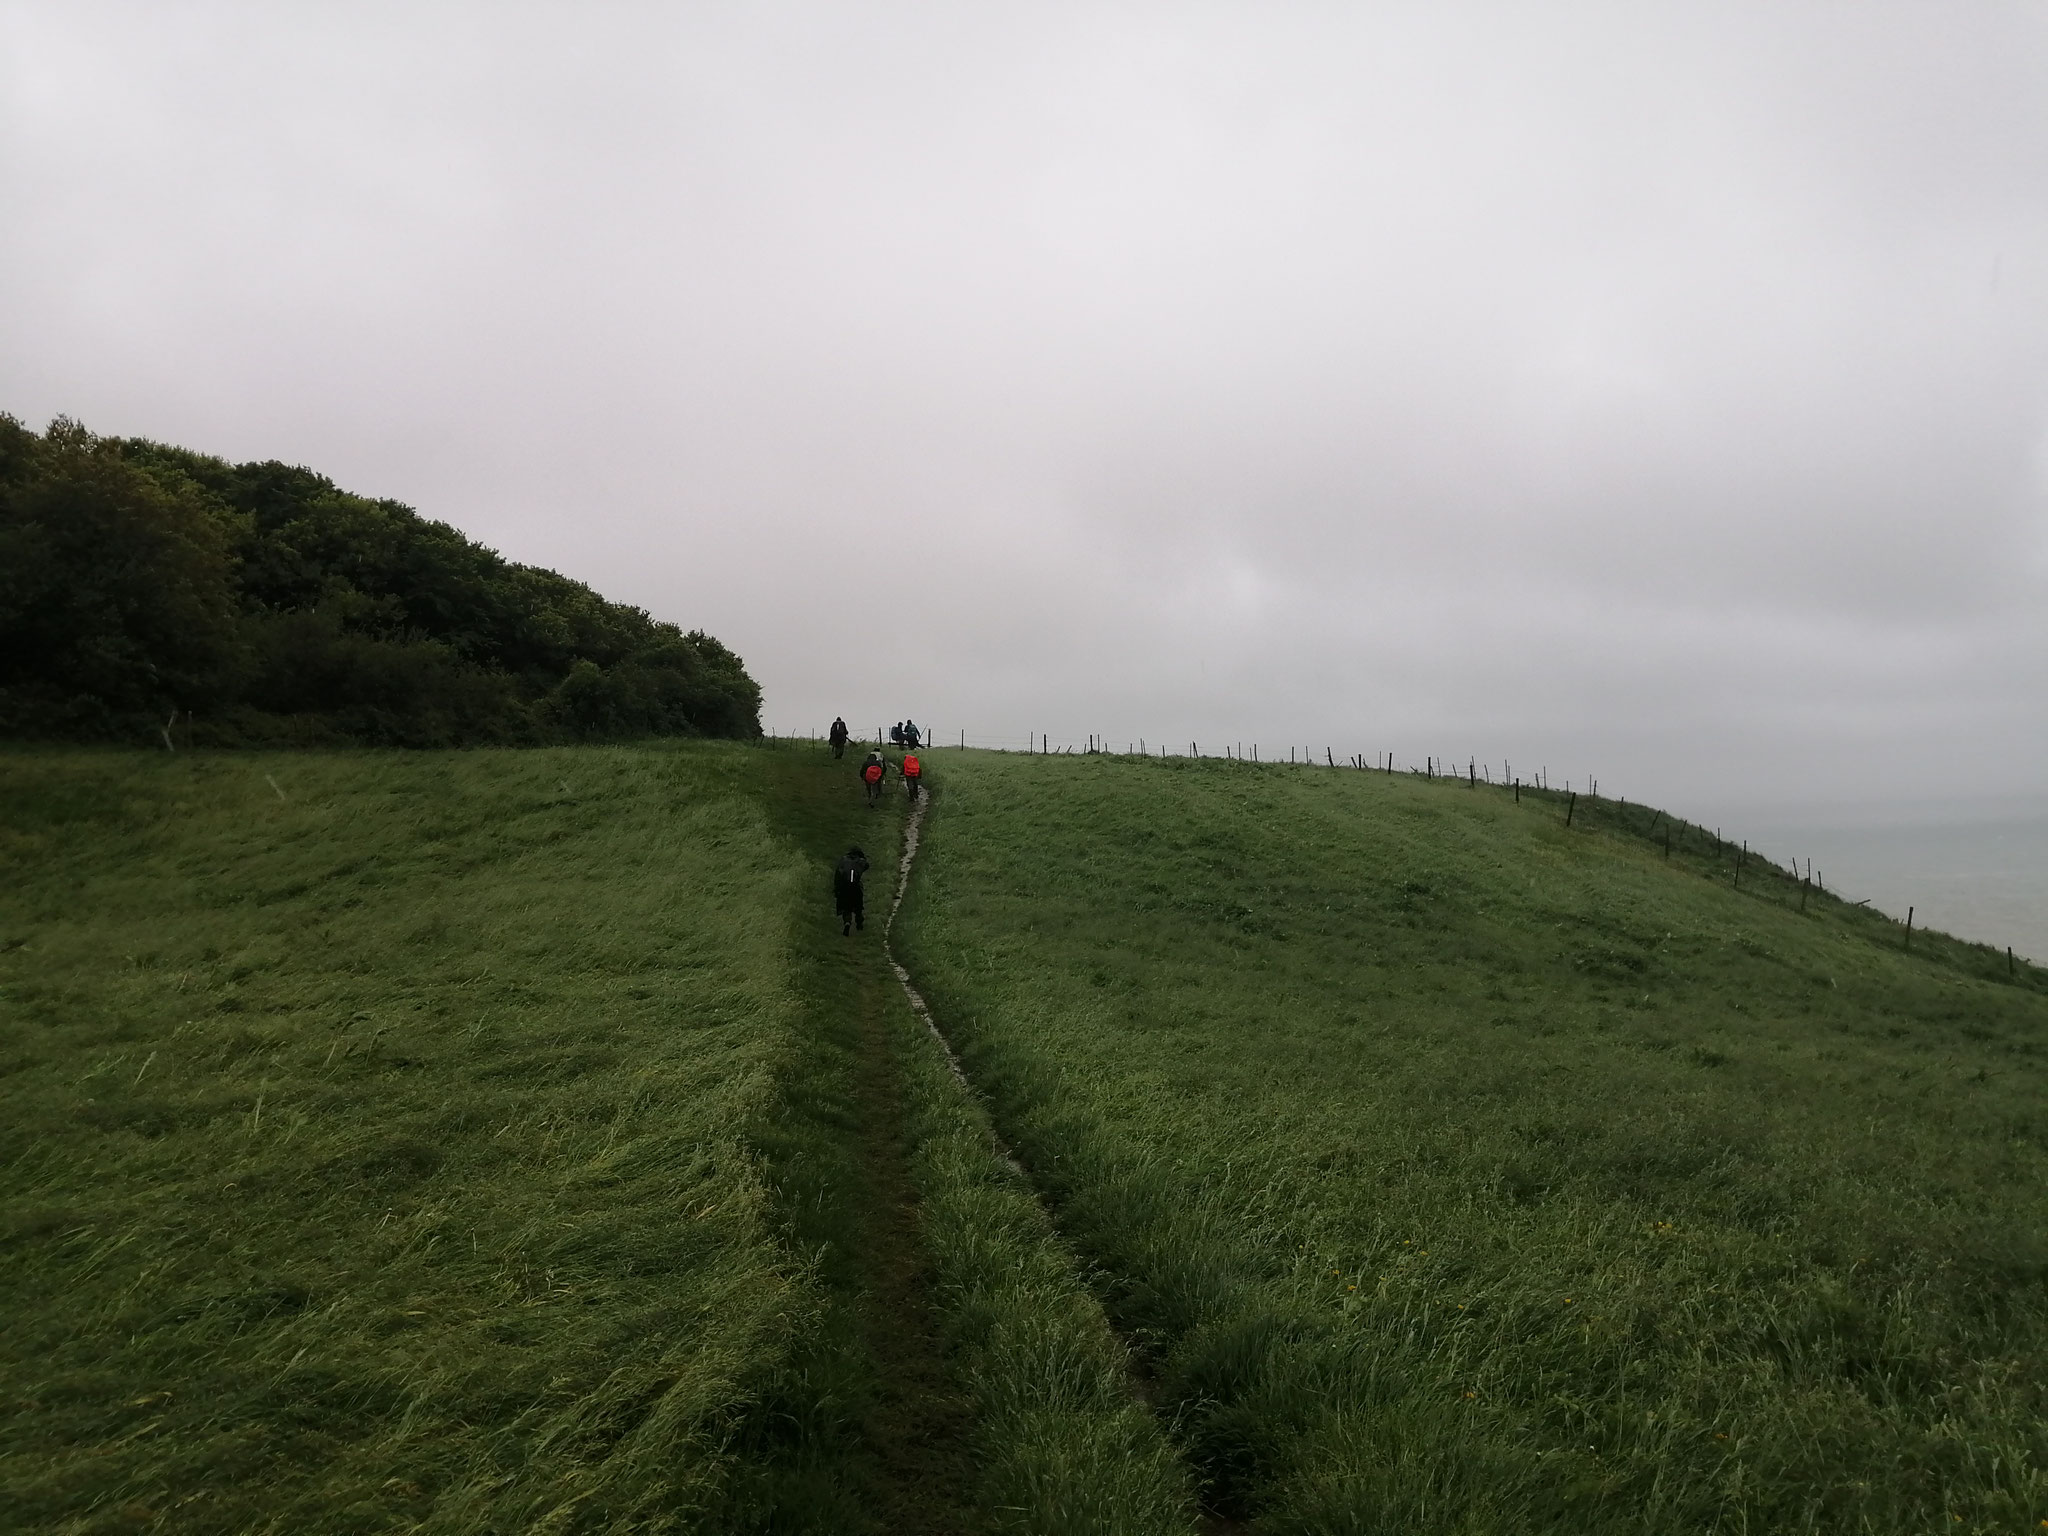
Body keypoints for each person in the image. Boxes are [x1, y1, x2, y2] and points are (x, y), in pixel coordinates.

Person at [833, 846, 870, 935]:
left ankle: (847, 922)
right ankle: (859, 922)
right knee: (858, 906)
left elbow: (838, 873)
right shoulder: (860, 861)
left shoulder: (843, 860)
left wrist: (836, 889)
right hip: (855, 887)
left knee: (846, 908)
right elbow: (867, 865)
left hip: (843, 887)